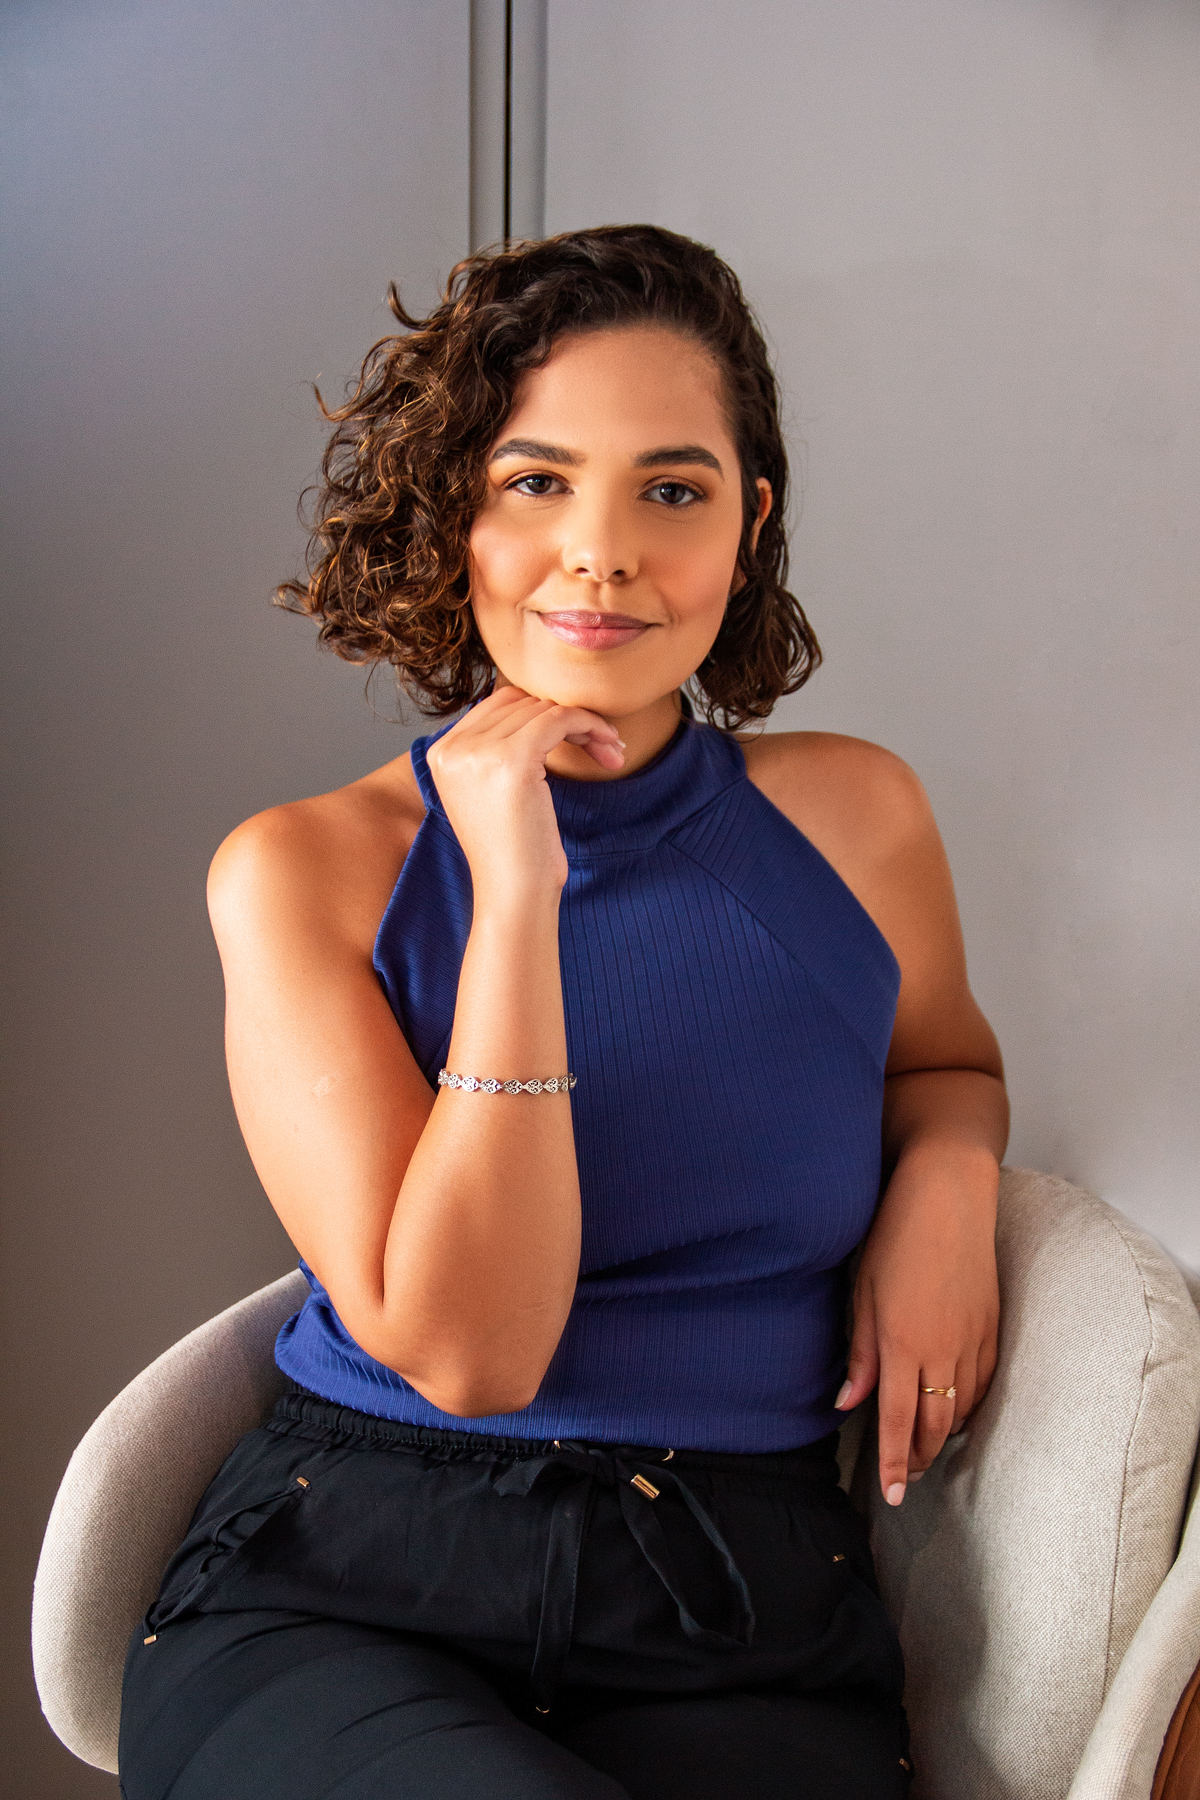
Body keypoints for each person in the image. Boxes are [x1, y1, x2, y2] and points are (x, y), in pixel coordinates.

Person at [118, 225, 1006, 1800]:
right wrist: (516, 894)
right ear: (454, 510)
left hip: (745, 1610)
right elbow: (474, 1355)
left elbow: (942, 1064)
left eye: (672, 490)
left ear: (749, 522)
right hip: (355, 1582)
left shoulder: (858, 818)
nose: (601, 553)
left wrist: (947, 1181)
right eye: (536, 482)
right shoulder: (306, 872)